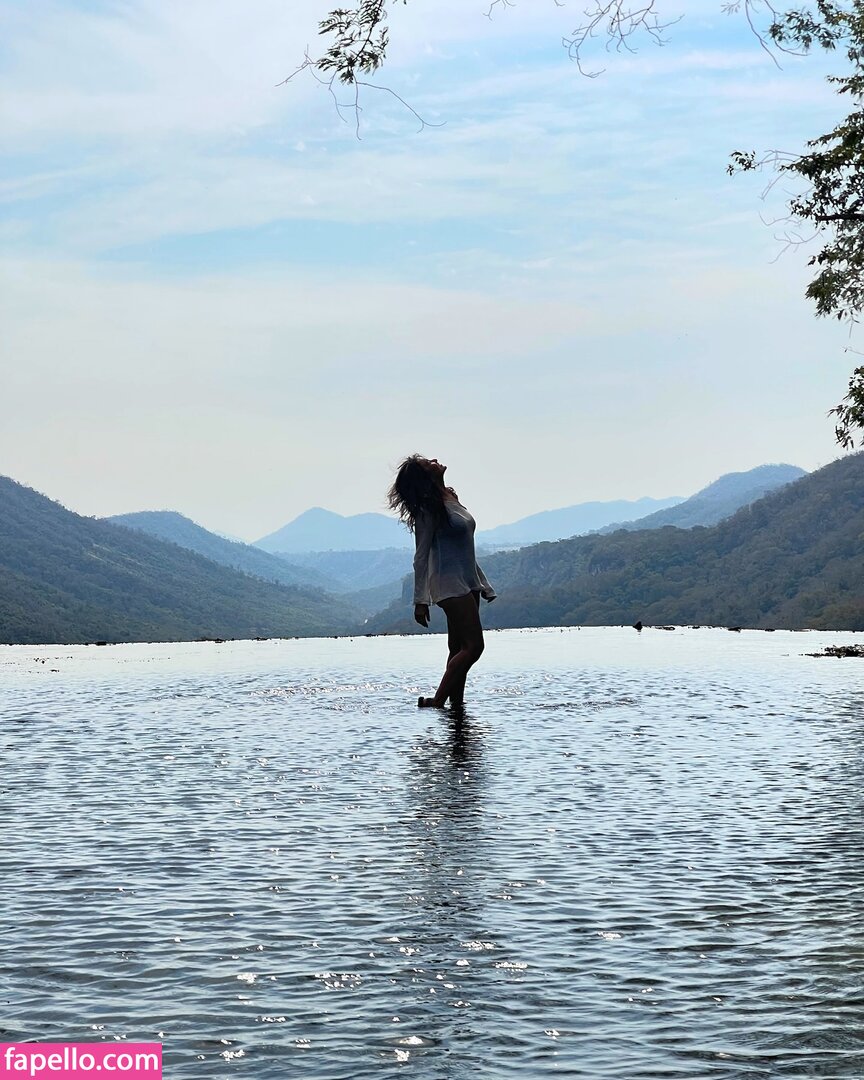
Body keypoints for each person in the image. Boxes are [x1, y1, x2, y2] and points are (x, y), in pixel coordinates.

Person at [388, 454, 496, 709]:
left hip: (467, 581)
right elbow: (421, 558)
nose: (435, 460)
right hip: (448, 583)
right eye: (428, 463)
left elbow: (464, 549)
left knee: (457, 648)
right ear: (425, 476)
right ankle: (438, 701)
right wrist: (420, 600)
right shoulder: (427, 510)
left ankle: (457, 705)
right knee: (474, 647)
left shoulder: (451, 497)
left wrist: (482, 583)